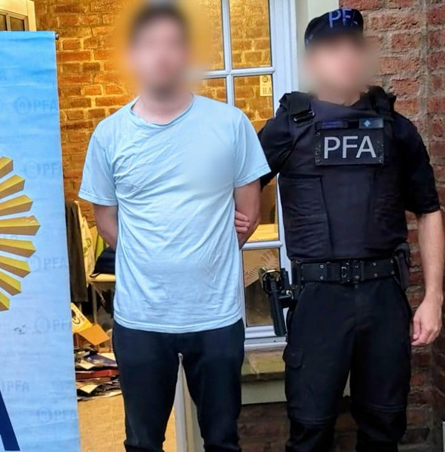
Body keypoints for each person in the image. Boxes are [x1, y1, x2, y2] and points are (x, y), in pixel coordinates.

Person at [250, 8, 445, 452]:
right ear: (312, 61)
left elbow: (429, 211)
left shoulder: (396, 129)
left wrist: (433, 297)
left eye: (354, 46)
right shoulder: (286, 129)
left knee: (384, 427)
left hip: (383, 296)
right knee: (310, 428)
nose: (345, 57)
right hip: (319, 300)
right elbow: (240, 192)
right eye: (332, 49)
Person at [78, 4, 270, 452]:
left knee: (222, 440)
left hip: (216, 316)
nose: (162, 55)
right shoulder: (109, 134)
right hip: (141, 318)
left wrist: (206, 247)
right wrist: (151, 254)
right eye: (150, 45)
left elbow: (249, 213)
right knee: (142, 442)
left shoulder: (229, 124)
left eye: (172, 43)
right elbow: (105, 220)